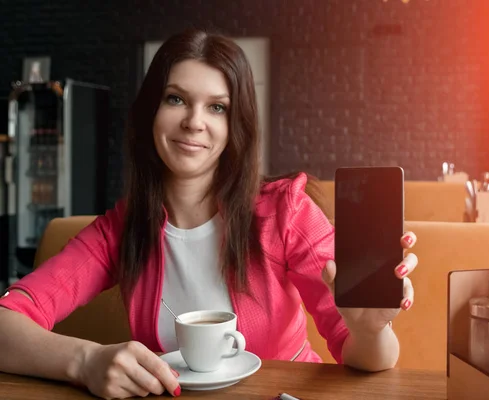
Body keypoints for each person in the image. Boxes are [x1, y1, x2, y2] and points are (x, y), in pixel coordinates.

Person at [0, 29, 419, 399]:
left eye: (217, 107)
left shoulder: (285, 212)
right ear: (152, 113)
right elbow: (6, 323)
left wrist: (370, 330)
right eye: (176, 99)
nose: (194, 122)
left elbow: (369, 360)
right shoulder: (121, 230)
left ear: (236, 123)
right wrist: (85, 361)